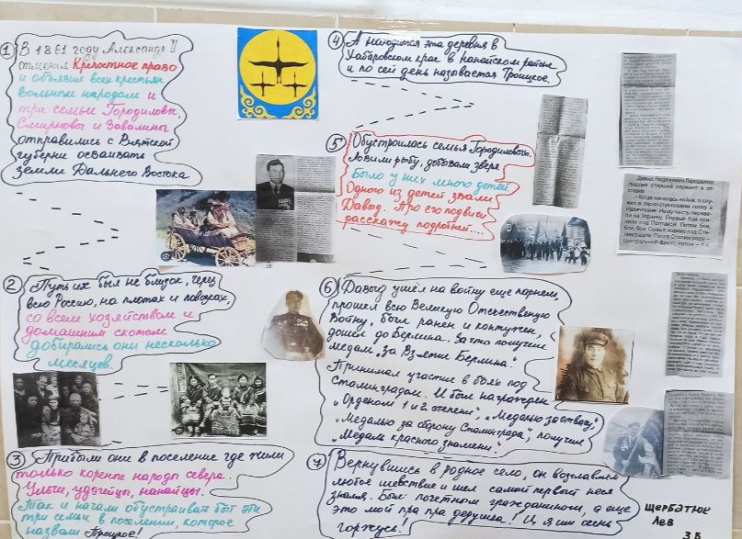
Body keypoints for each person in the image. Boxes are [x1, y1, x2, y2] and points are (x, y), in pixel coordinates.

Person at [556, 328, 629, 403]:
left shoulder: (612, 374)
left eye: (599, 350)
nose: (595, 354)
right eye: (590, 349)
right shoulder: (574, 376)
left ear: (604, 352)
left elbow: (621, 401)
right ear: (584, 351)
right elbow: (569, 405)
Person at [262, 290, 324, 360]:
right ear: (287, 303)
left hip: (303, 358)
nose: (296, 304)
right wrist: (280, 354)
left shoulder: (307, 321)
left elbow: (319, 341)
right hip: (282, 358)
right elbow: (269, 341)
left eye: (298, 301)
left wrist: (310, 354)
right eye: (293, 301)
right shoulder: (278, 320)